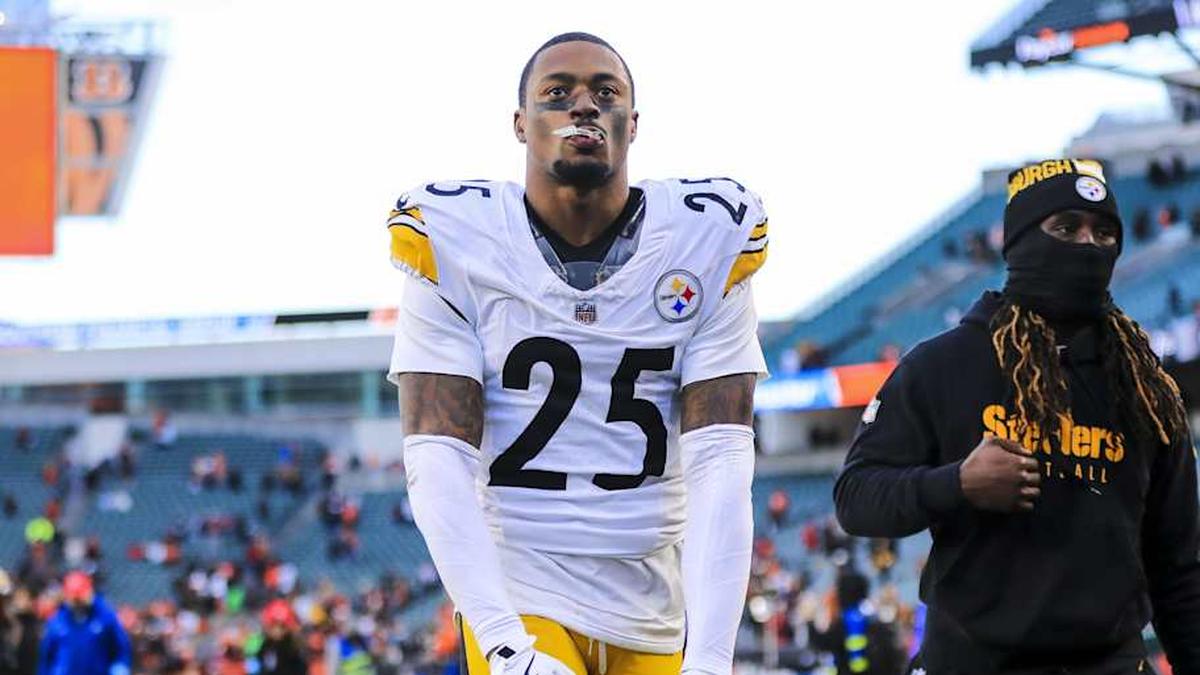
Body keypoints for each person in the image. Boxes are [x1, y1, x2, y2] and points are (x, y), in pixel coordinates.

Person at [387, 32, 768, 675]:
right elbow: (435, 456)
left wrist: (710, 658)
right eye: (556, 93)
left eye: (605, 91)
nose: (582, 105)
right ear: (520, 123)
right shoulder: (456, 238)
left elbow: (721, 460)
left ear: (633, 122)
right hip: (522, 586)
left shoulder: (706, 240)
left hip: (650, 600)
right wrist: (504, 644)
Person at [834, 159, 1200, 674]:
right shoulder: (944, 364)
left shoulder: (1145, 387)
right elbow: (856, 499)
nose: (1088, 245)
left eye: (1104, 233)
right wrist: (957, 485)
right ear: (1021, 241)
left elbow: (1178, 570)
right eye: (1066, 228)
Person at [38, 571, 132, 675]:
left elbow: (121, 649)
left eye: (80, 597)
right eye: (74, 599)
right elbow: (47, 658)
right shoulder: (58, 621)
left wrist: (120, 667)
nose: (78, 603)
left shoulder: (105, 616)